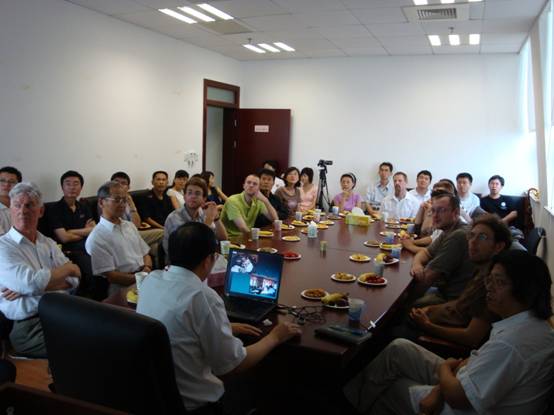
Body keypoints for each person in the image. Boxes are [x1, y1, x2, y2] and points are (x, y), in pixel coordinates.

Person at [344, 250, 554, 415]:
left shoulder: (511, 345)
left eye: (500, 282)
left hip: (461, 406)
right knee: (399, 348)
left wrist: (445, 369)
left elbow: (458, 398)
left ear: (525, 289)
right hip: (467, 384)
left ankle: (350, 405)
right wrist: (441, 387)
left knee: (388, 387)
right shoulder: (533, 324)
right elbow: (476, 361)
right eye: (490, 280)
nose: (489, 288)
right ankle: (352, 400)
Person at [137, 222, 301, 412]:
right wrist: (275, 337)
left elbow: (177, 327)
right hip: (197, 405)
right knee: (265, 387)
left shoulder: (151, 280)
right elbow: (235, 365)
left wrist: (224, 327)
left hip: (154, 398)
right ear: (208, 260)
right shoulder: (202, 296)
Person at [402, 215, 512, 348]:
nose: (473, 242)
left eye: (482, 237)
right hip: (433, 320)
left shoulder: (492, 285)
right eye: (471, 235)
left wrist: (427, 325)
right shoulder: (481, 271)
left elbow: (471, 337)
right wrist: (430, 309)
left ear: (498, 246)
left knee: (393, 332)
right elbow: (461, 303)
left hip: (437, 339)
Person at [0, 183, 80, 358]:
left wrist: (31, 288)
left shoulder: (47, 243)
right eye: (17, 205)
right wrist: (68, 268)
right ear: (10, 210)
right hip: (29, 325)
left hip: (62, 311)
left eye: (29, 205)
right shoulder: (3, 246)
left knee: (105, 333)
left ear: (41, 211)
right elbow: (30, 284)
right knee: (83, 348)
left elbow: (75, 280)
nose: (23, 211)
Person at [85, 181, 152, 296]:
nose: (122, 204)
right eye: (117, 200)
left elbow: (145, 254)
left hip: (143, 277)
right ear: (101, 202)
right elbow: (112, 276)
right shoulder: (97, 237)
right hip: (122, 287)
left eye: (124, 200)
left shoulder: (129, 226)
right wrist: (140, 278)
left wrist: (146, 268)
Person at [409, 192, 474, 307]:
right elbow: (426, 252)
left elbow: (428, 278)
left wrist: (404, 303)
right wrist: (416, 264)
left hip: (454, 301)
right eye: (433, 210)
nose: (435, 215)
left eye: (441, 210)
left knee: (406, 307)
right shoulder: (447, 230)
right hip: (443, 291)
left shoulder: (458, 235)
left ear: (456, 213)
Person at [46, 170, 95, 294]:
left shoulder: (84, 206)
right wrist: (85, 231)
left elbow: (93, 230)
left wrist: (72, 231)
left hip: (89, 245)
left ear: (81, 187)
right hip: (68, 250)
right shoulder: (54, 209)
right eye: (68, 184)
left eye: (76, 184)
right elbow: (64, 238)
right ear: (62, 187)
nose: (72, 187)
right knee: (92, 271)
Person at [163, 177, 227, 254]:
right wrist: (209, 221)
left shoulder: (203, 213)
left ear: (204, 198)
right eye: (189, 193)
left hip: (204, 256)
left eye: (197, 193)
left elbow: (223, 239)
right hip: (181, 258)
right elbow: (192, 248)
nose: (193, 196)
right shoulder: (174, 218)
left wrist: (216, 217)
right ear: (184, 197)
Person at [110, 171, 164, 262]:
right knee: (163, 232)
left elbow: (137, 224)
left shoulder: (128, 199)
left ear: (128, 187)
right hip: (121, 235)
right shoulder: (107, 201)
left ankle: (162, 269)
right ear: (110, 185)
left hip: (134, 232)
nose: (120, 186)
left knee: (156, 248)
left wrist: (131, 204)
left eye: (123, 183)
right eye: (116, 183)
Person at [0, 166, 22, 235]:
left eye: (12, 182)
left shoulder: (23, 207)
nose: (6, 184)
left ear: (18, 185)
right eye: (2, 180)